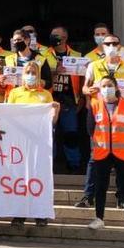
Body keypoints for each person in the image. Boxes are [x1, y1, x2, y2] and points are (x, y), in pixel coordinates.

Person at [77, 34, 124, 207]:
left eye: (114, 43)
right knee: (94, 158)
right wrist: (89, 90)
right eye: (108, 44)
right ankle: (89, 195)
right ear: (102, 47)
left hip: (122, 114)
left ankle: (121, 196)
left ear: (120, 46)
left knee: (122, 161)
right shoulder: (94, 65)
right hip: (99, 113)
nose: (111, 46)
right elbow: (84, 87)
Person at [6, 62, 59, 227]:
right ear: (23, 75)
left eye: (34, 73)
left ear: (39, 76)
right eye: (28, 72)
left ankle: (40, 213)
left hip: (39, 141)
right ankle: (19, 214)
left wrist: (56, 111)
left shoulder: (45, 95)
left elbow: (52, 121)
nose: (31, 75)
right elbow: (7, 116)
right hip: (20, 141)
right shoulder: (15, 93)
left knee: (39, 177)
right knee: (19, 177)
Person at [85, 76, 124, 232]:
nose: (106, 88)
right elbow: (90, 128)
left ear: (116, 87)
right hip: (102, 152)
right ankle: (99, 218)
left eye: (109, 85)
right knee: (100, 187)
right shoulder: (94, 105)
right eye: (103, 86)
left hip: (123, 152)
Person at [43, 26, 84, 173]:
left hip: (69, 100)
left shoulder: (77, 55)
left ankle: (74, 165)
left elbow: (83, 78)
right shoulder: (44, 54)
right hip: (49, 99)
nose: (53, 38)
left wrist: (81, 98)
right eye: (52, 35)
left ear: (65, 37)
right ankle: (49, 166)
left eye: (56, 35)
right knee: (49, 134)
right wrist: (55, 71)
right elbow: (41, 76)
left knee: (71, 134)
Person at [0, 30, 52, 94]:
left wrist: (36, 81)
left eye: (19, 40)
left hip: (33, 97)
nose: (16, 42)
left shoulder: (41, 59)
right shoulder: (8, 59)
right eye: (14, 40)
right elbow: (3, 85)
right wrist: (2, 82)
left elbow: (49, 83)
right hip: (14, 98)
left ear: (27, 40)